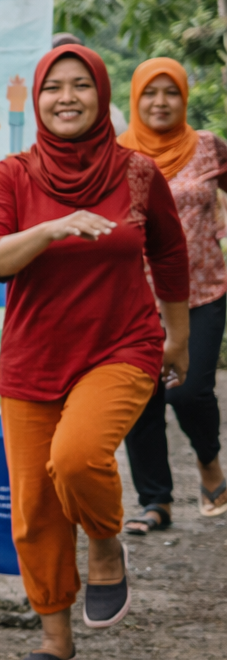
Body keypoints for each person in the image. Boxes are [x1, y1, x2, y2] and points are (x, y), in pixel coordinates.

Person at [0, 44, 189, 660]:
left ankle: (105, 540)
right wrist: (55, 228)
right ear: (36, 100)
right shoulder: (13, 175)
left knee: (77, 456)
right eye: (52, 88)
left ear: (100, 95)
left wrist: (176, 337)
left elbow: (171, 258)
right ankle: (56, 639)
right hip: (34, 358)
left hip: (121, 344)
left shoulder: (139, 173)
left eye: (79, 86)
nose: (65, 97)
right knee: (34, 508)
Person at [116, 58, 227, 531]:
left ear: (184, 97)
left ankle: (208, 460)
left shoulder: (208, 147)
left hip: (202, 291)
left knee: (189, 392)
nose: (160, 102)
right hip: (134, 298)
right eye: (150, 93)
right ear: (135, 98)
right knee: (141, 400)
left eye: (171, 93)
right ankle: (155, 501)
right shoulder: (116, 153)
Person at [6, 74, 28, 154]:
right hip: (15, 112)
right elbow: (8, 97)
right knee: (17, 131)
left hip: (16, 112)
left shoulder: (17, 90)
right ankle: (15, 151)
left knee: (16, 131)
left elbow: (8, 97)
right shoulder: (20, 90)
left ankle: (15, 151)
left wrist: (10, 86)